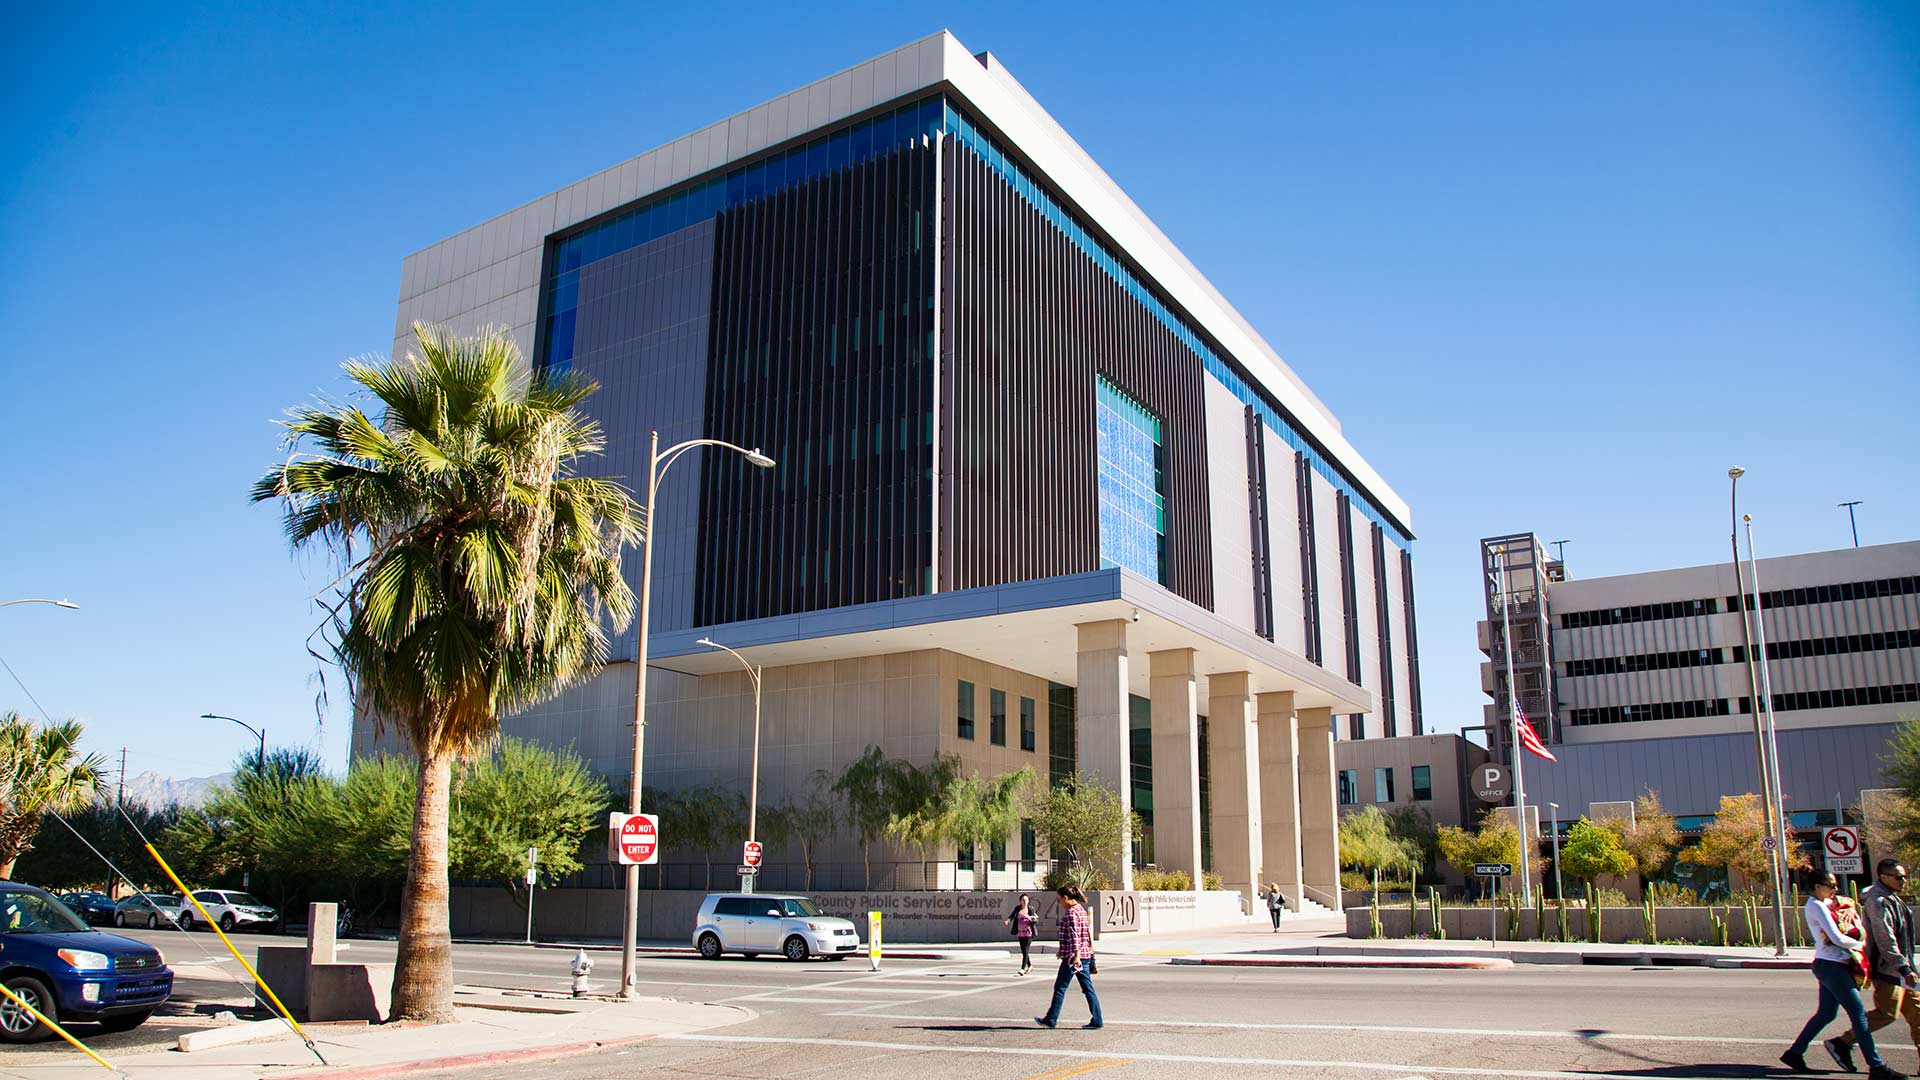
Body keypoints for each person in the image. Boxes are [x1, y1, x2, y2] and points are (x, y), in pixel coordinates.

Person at [1782, 870, 1906, 1079]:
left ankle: (1794, 1053)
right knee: (1858, 1014)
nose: (1834, 889)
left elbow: (1846, 901)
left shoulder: (1824, 902)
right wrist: (1861, 944)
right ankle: (1876, 1067)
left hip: (1830, 964)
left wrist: (1847, 907)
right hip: (1832, 967)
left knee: (1826, 1014)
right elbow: (1836, 937)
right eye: (1831, 885)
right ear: (1817, 886)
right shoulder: (1816, 906)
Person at [1832, 860, 1920, 1071]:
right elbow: (1884, 937)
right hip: (1888, 969)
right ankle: (1842, 1043)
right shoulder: (1877, 901)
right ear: (1883, 877)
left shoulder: (1893, 899)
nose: (1903, 881)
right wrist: (1903, 967)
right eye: (1898, 877)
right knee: (1886, 1013)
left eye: (1904, 876)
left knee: (1918, 1015)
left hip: (1903, 967)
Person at [1035, 885, 1102, 1030]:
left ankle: (1051, 1019)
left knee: (1060, 987)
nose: (1059, 903)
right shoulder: (1081, 910)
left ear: (1065, 898)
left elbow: (1075, 936)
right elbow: (1083, 934)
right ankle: (1097, 1019)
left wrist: (1075, 956)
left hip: (1074, 958)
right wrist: (1063, 950)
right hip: (1083, 955)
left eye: (1059, 900)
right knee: (1088, 989)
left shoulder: (1071, 913)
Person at [1006, 893, 1039, 975]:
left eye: (1026, 900)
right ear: (1020, 901)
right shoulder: (1017, 908)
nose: (1025, 902)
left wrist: (1031, 918)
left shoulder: (1031, 909)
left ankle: (1023, 968)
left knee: (1026, 950)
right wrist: (1008, 921)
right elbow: (1012, 916)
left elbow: (1035, 919)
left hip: (1028, 933)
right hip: (1020, 933)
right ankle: (1030, 965)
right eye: (1023, 900)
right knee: (1024, 951)